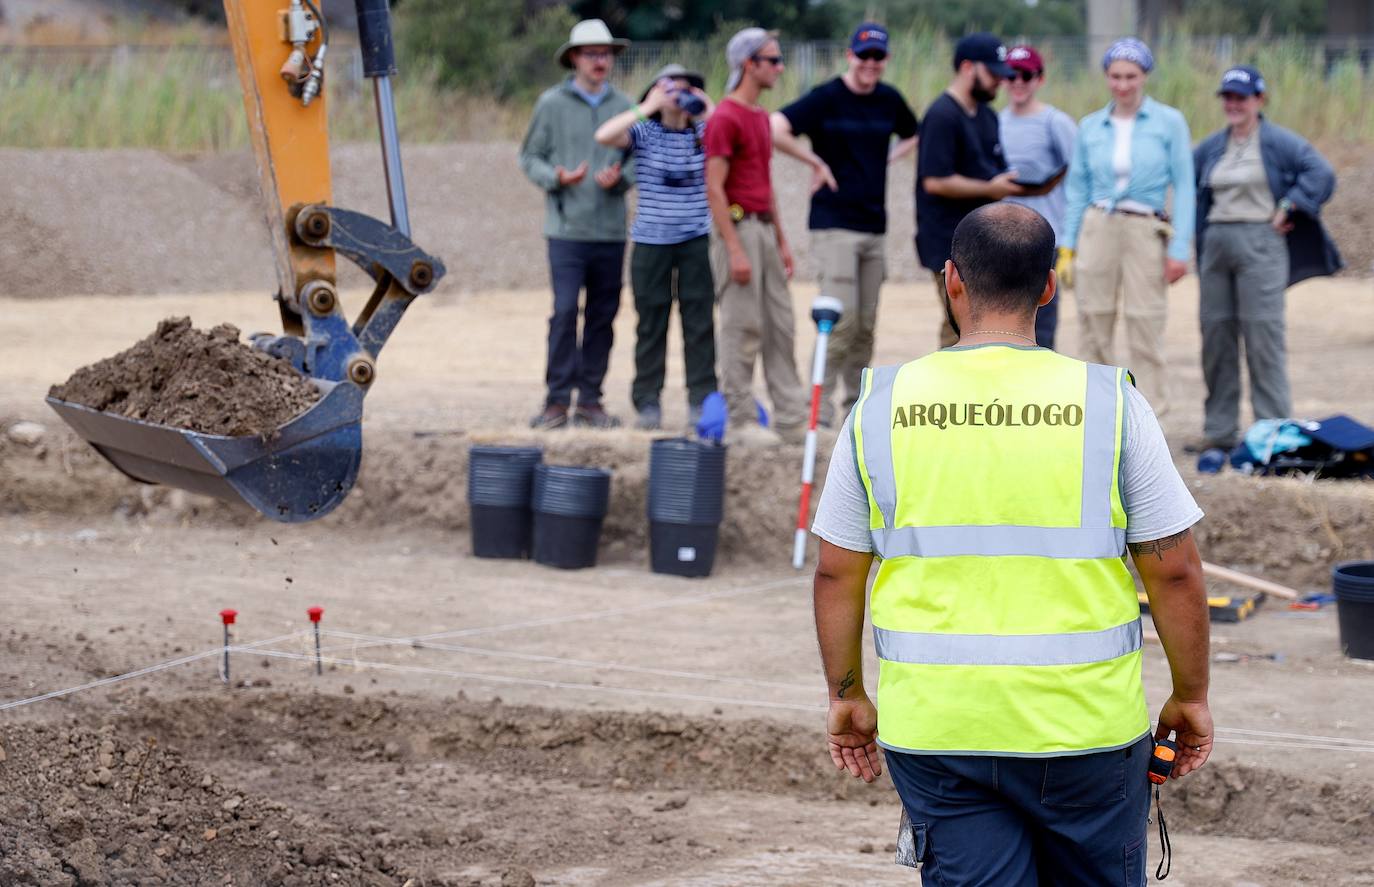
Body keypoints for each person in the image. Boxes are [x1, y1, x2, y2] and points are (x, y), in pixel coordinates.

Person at [810, 203, 1212, 884]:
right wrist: (1191, 694)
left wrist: (845, 694)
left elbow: (835, 572)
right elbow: (1173, 574)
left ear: (951, 281)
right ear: (1051, 285)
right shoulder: (1109, 402)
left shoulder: (881, 403)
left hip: (939, 734)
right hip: (1088, 732)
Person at [771, 22, 919, 427]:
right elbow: (775, 127)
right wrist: (814, 162)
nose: (871, 64)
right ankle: (815, 405)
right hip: (834, 224)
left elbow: (913, 132)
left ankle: (855, 406)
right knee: (841, 318)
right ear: (849, 56)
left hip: (874, 225)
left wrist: (890, 157)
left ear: (885, 60)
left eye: (878, 57)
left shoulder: (889, 99)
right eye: (864, 55)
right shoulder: (827, 97)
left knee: (867, 323)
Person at [1191, 65, 1341, 467]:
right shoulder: (1210, 147)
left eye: (1242, 97)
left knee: (1263, 336)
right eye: (1228, 96)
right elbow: (1191, 186)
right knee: (1216, 336)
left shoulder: (1277, 141)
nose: (1234, 104)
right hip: (1216, 244)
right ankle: (1220, 433)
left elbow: (1320, 173)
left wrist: (1291, 205)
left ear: (1260, 99)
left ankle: (1271, 431)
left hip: (1261, 240)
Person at [1061, 37, 1195, 418]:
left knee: (1145, 321)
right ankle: (1098, 413)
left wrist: (1180, 249)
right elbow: (1077, 190)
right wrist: (1068, 246)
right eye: (1115, 76)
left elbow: (1184, 187)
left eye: (1131, 76)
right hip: (1097, 225)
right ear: (1106, 77)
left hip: (1145, 229)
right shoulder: (1090, 126)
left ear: (1144, 76)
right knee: (1094, 320)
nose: (1122, 84)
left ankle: (1151, 415)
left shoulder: (1169, 122)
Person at [518, 19, 635, 430]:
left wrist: (621, 179)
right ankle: (555, 400)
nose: (599, 60)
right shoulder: (551, 103)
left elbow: (641, 155)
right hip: (566, 231)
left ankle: (590, 400)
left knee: (603, 316)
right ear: (574, 58)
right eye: (591, 53)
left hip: (610, 230)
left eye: (605, 53)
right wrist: (556, 177)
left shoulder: (625, 107)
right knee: (565, 312)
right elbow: (529, 157)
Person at [595, 64, 718, 431]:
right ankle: (647, 401)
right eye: (670, 90)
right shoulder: (644, 133)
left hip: (695, 239)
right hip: (651, 242)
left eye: (685, 90)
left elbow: (734, 135)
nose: (677, 97)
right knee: (651, 324)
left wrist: (705, 107)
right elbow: (604, 134)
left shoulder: (704, 134)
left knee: (699, 323)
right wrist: (647, 107)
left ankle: (702, 399)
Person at [705, 27, 807, 445]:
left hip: (762, 226)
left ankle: (791, 419)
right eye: (773, 60)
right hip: (738, 227)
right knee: (742, 326)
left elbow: (764, 183)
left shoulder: (761, 118)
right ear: (750, 64)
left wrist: (781, 240)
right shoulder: (725, 117)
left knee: (781, 325)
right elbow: (714, 187)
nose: (780, 67)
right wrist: (734, 249)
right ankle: (741, 419)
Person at [915, 33, 1026, 351]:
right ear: (967, 67)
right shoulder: (942, 116)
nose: (999, 83)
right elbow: (934, 181)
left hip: (984, 240)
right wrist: (989, 188)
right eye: (992, 74)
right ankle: (946, 395)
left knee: (985, 327)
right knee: (959, 326)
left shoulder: (988, 116)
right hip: (948, 243)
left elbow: (993, 170)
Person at [998, 44, 1076, 349]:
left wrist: (1071, 236)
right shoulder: (996, 122)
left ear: (1039, 79)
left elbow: (1079, 177)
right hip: (1002, 236)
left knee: (1042, 317)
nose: (1018, 81)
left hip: (1045, 234)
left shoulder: (1055, 123)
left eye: (1026, 75)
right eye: (1011, 75)